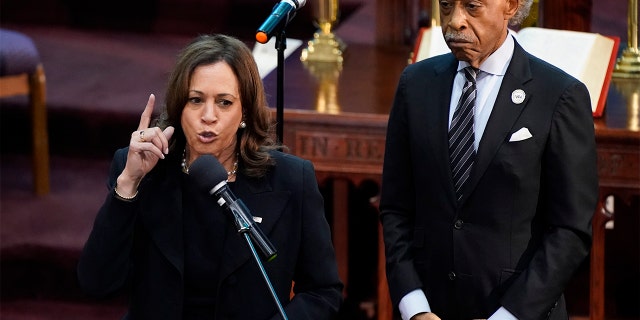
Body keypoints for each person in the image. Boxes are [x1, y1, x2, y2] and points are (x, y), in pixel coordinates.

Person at [77, 34, 343, 319]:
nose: (208, 116)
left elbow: (322, 292)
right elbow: (97, 284)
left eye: (224, 103)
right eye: (195, 100)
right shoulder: (141, 171)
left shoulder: (290, 179)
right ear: (179, 107)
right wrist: (128, 184)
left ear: (245, 111)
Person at [379, 0, 598, 319]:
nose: (455, 21)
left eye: (472, 7)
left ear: (511, 6)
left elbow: (570, 230)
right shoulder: (415, 84)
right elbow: (396, 208)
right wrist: (415, 307)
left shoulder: (560, 95)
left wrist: (508, 316)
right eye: (446, 6)